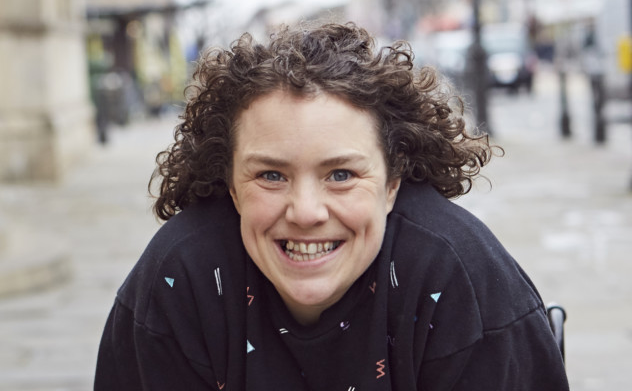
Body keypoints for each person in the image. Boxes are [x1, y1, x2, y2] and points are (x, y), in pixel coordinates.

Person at [95, 22, 569, 390]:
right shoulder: (178, 280)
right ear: (231, 186)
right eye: (271, 175)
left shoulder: (459, 277)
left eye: (341, 175)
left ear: (391, 183)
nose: (305, 212)